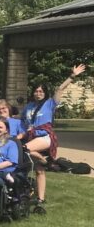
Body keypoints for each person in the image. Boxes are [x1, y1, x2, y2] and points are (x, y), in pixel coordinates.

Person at [23, 65, 85, 210]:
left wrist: (72, 76)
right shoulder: (28, 107)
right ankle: (40, 198)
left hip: (44, 138)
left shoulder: (50, 104)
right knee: (38, 170)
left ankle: (47, 160)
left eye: (41, 91)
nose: (38, 93)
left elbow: (60, 89)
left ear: (45, 93)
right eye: (36, 91)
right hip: (31, 138)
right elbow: (21, 123)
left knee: (25, 149)